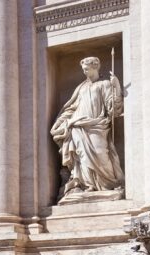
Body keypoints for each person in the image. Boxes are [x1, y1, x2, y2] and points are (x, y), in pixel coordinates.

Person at [50, 56, 124, 200]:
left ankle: (108, 184)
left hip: (97, 125)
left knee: (101, 153)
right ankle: (87, 184)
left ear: (95, 67)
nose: (84, 72)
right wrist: (60, 122)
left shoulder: (105, 84)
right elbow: (71, 108)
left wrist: (117, 86)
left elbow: (113, 108)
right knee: (82, 157)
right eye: (83, 69)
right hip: (78, 125)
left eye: (87, 69)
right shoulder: (82, 87)